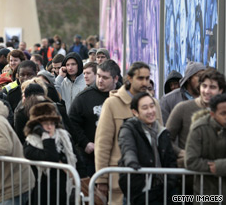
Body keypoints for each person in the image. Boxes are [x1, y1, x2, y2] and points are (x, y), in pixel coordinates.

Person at [94, 62, 163, 204]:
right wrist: (102, 179)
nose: (145, 82)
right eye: (140, 78)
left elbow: (161, 140)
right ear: (129, 79)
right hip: (121, 181)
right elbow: (103, 144)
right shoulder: (112, 104)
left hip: (151, 181)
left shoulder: (154, 104)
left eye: (147, 78)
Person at [118, 92, 177, 205]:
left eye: (152, 106)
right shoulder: (128, 129)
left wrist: (170, 184)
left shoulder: (162, 132)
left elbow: (170, 161)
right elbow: (128, 149)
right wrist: (132, 164)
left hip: (163, 192)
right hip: (139, 192)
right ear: (135, 112)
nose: (150, 111)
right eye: (145, 108)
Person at [23, 102, 86, 204]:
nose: (49, 127)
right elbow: (51, 157)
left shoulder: (64, 137)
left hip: (66, 193)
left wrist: (80, 181)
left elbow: (78, 161)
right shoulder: (30, 143)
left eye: (52, 123)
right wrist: (47, 139)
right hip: (43, 194)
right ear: (36, 126)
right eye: (45, 124)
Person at [69, 60, 120, 177]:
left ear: (115, 79)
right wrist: (85, 143)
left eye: (105, 78)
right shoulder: (83, 98)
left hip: (118, 158)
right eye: (99, 76)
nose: (100, 80)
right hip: (91, 160)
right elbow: (71, 122)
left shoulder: (123, 96)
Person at [167, 67, 225, 168]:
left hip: (218, 176)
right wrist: (181, 152)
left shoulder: (223, 111)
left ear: (221, 90)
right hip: (188, 175)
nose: (207, 91)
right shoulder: (182, 108)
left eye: (212, 87)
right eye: (204, 86)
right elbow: (166, 138)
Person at [185, 93, 226, 200]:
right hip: (206, 192)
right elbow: (191, 160)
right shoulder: (199, 129)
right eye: (223, 113)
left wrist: (220, 166)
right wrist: (211, 167)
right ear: (213, 114)